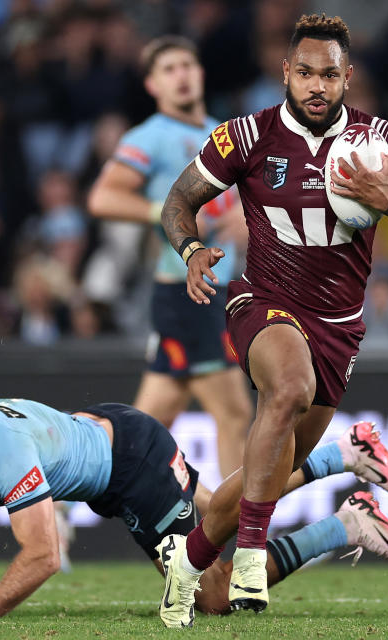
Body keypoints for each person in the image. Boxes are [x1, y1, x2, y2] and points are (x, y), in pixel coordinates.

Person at [156, 14, 388, 626]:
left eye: (329, 74)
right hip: (261, 301)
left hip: (339, 327)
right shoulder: (247, 136)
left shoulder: (382, 145)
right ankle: (248, 558)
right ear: (285, 73)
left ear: (348, 77)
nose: (316, 85)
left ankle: (187, 564)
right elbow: (178, 202)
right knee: (287, 386)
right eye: (305, 73)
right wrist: (191, 252)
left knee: (264, 472)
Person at [0, 384, 388, 620]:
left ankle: (345, 526)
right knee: (222, 509)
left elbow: (40, 555)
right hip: (114, 438)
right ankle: (340, 456)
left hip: (129, 466)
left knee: (211, 595)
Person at [87, 35, 252, 479]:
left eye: (187, 66)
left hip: (213, 289)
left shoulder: (222, 133)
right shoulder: (151, 137)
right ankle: (232, 539)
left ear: (200, 74)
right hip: (186, 293)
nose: (180, 75)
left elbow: (233, 211)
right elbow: (103, 198)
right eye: (169, 69)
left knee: (145, 428)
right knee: (234, 412)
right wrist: (166, 214)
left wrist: (246, 218)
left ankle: (76, 484)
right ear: (152, 85)